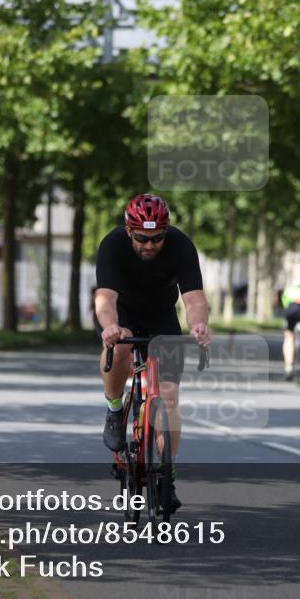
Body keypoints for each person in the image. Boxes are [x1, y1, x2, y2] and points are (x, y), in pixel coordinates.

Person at [95, 193, 212, 513]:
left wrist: (199, 325)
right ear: (129, 231)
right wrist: (110, 327)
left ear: (166, 230)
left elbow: (193, 298)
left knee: (170, 396)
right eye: (142, 238)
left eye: (157, 238)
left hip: (162, 318)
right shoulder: (113, 245)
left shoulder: (181, 245)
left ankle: (166, 476)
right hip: (122, 316)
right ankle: (115, 409)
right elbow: (105, 298)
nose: (150, 244)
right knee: (119, 348)